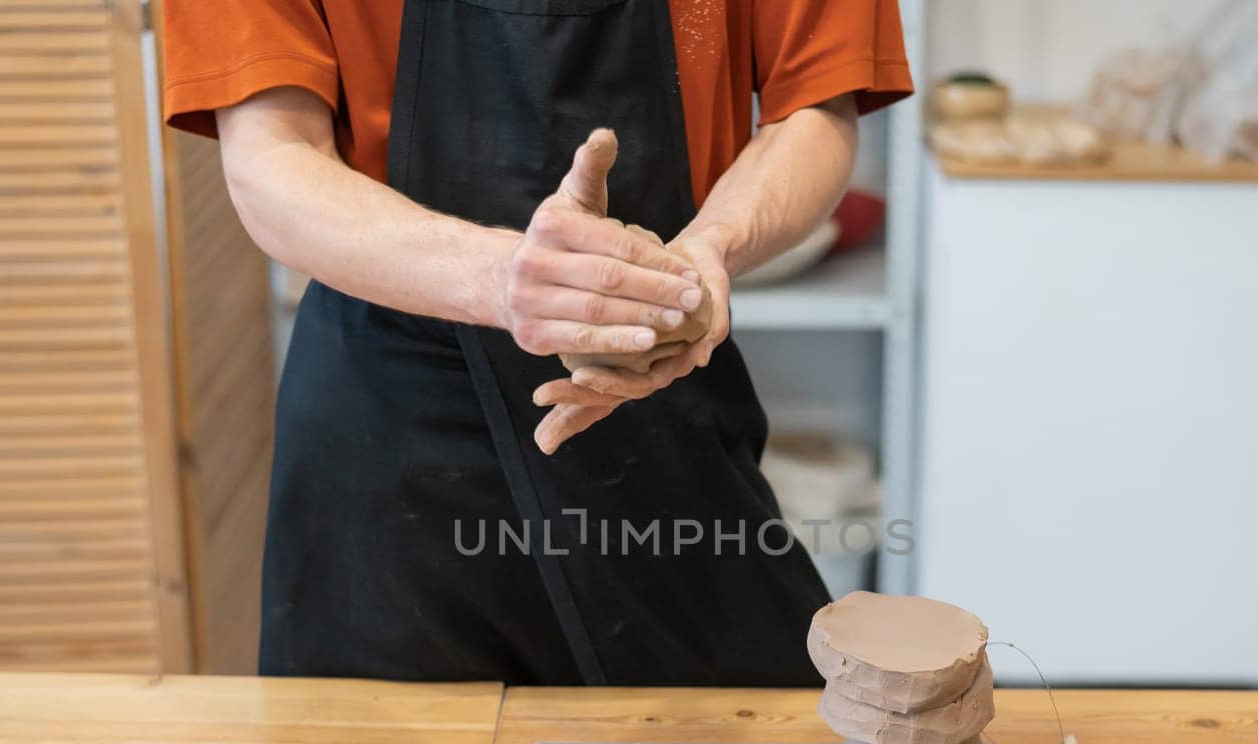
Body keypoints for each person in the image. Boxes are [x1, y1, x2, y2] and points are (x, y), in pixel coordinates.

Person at [162, 1, 913, 686]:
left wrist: (706, 253)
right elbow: (269, 158)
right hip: (388, 447)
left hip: (658, 415)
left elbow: (817, 104)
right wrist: (501, 277)